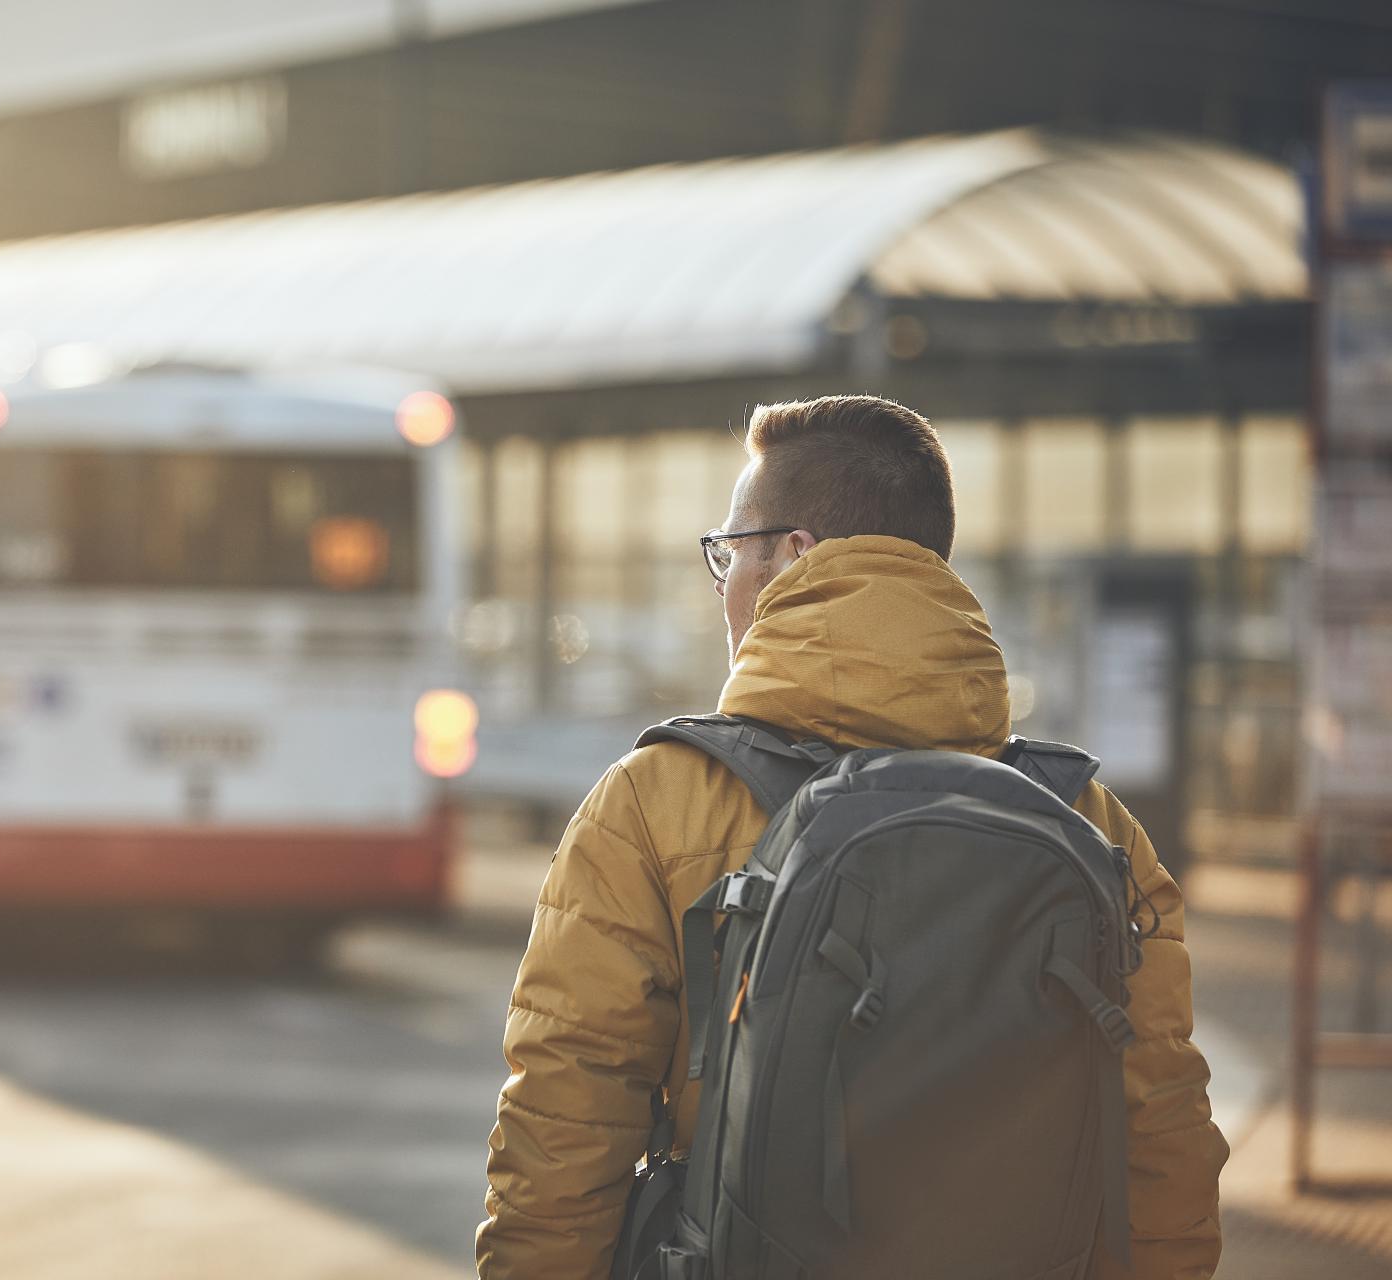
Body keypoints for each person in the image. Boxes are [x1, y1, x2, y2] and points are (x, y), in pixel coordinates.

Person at [476, 395, 1227, 1279]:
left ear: (791, 557)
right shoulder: (1088, 822)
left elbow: (564, 1133)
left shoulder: (652, 806)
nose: (724, 591)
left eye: (728, 555)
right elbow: (1161, 1137)